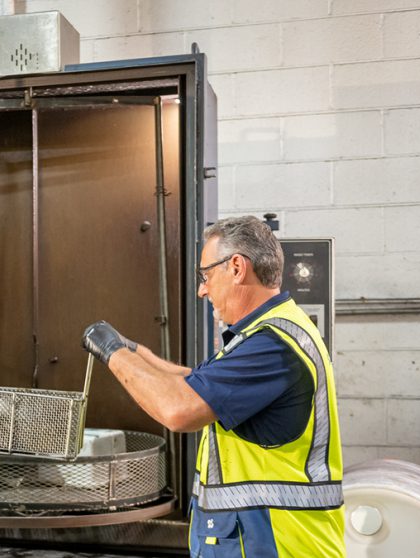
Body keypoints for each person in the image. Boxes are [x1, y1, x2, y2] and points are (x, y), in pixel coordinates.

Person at [81, 215, 344, 557]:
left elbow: (179, 410)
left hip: (276, 543)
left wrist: (110, 351)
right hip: (259, 540)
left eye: (205, 275)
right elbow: (193, 382)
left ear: (236, 267)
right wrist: (134, 351)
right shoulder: (264, 335)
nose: (202, 289)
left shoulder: (273, 346)